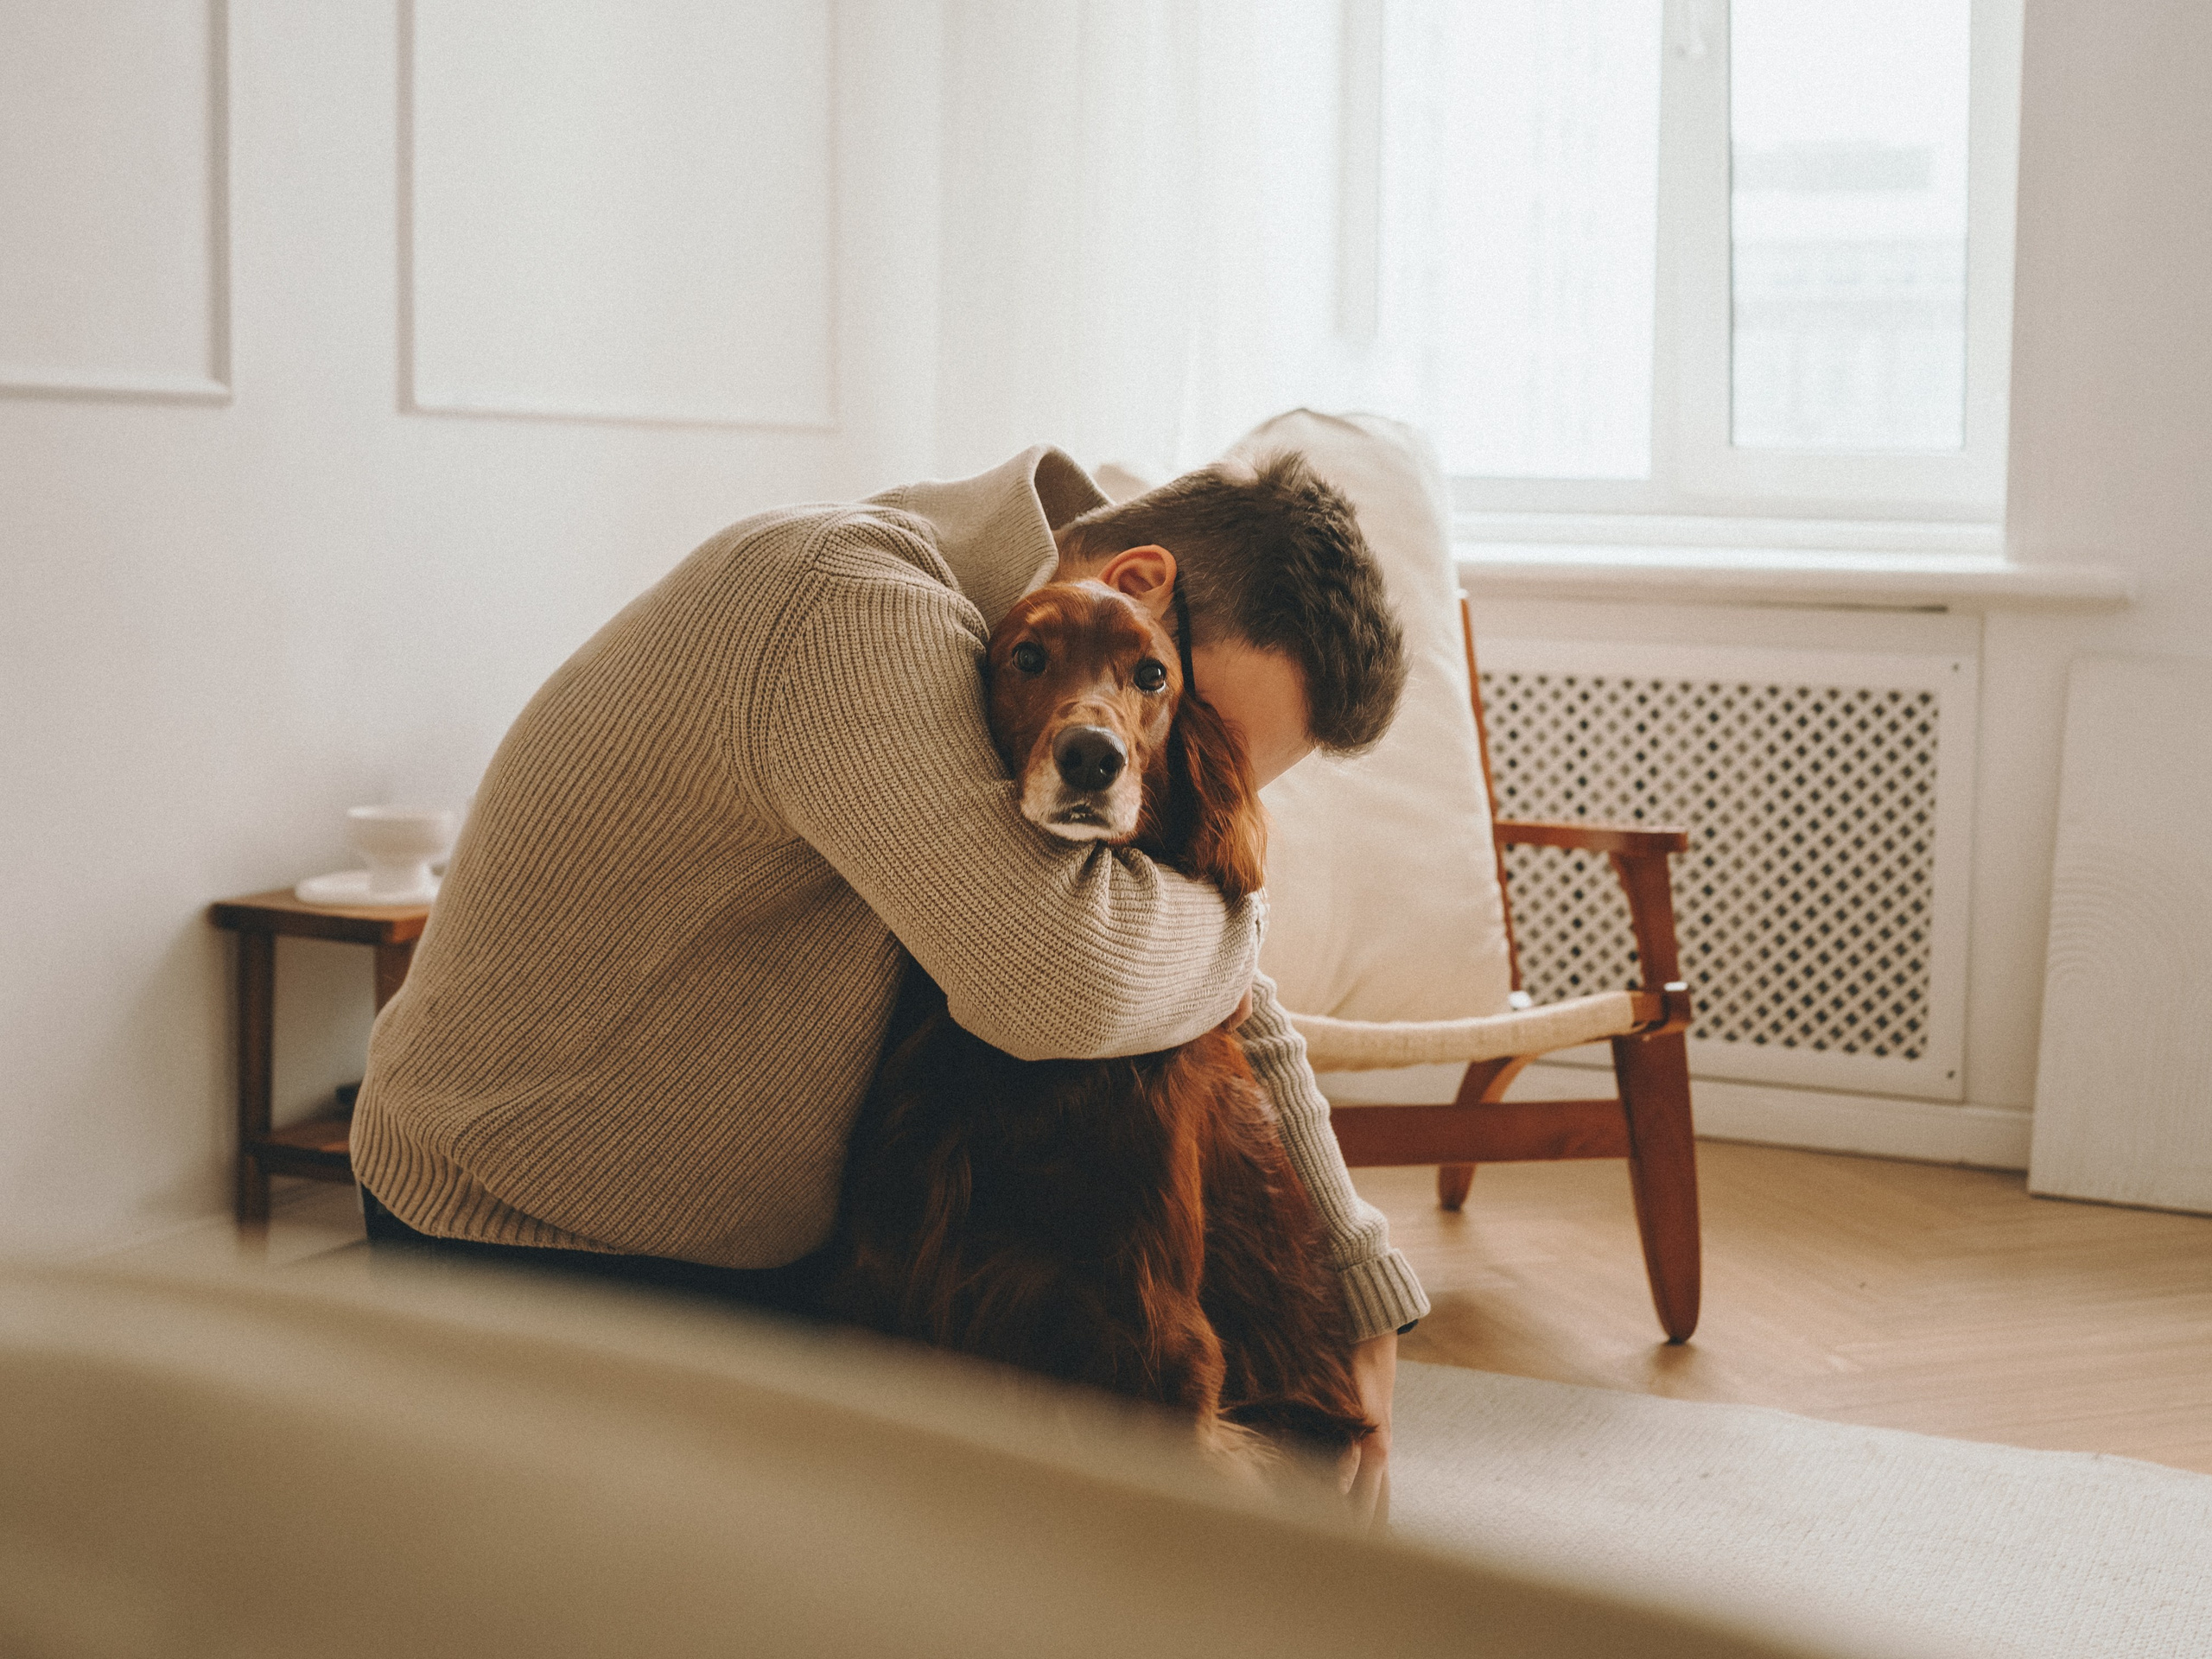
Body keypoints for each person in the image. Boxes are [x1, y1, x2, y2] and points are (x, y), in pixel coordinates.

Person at [351, 444, 1428, 1518]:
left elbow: (1201, 947)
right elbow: (1063, 979)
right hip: (527, 1235)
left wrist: (1351, 1272)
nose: (1180, 762)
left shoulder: (1030, 644)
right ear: (1140, 583)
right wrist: (1235, 918)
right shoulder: (846, 607)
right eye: (1192, 726)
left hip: (757, 1244)